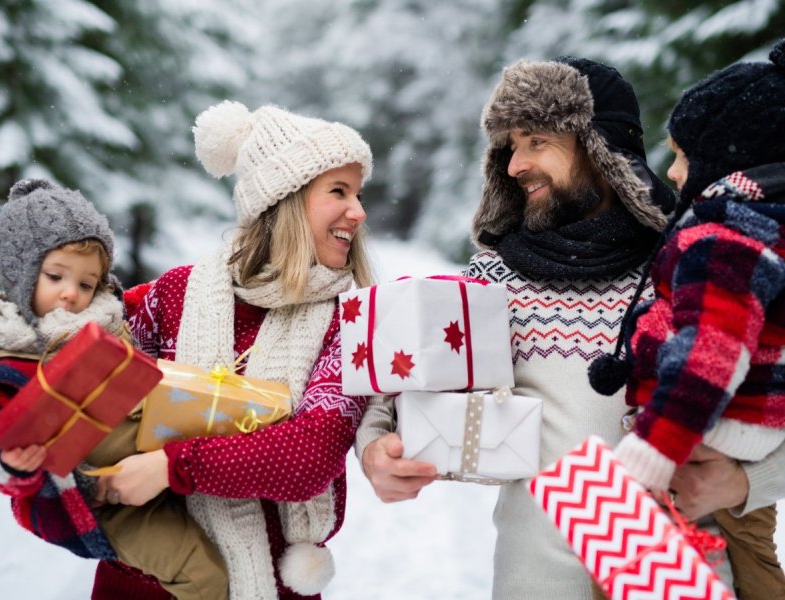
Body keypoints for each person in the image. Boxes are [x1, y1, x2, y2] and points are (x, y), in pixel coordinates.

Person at [356, 54, 785, 598]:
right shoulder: (492, 280)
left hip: (680, 580)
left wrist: (747, 483)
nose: (514, 164)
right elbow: (401, 386)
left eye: (536, 141)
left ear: (601, 149)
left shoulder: (706, 265)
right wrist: (376, 448)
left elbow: (774, 408)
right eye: (510, 145)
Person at [90, 100, 374, 599]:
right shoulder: (173, 297)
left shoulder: (345, 325)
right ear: (283, 200)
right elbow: (86, 365)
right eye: (339, 191)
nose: (359, 210)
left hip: (273, 581)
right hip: (147, 576)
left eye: (358, 192)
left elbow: (309, 455)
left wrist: (171, 466)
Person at [589, 39, 785, 599]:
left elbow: (710, 352)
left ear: (726, 161)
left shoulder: (722, 240)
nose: (672, 172)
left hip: (704, 436)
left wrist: (652, 450)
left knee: (678, 567)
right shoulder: (761, 230)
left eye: (682, 155)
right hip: (730, 438)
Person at [0, 178, 228, 600]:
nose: (70, 294)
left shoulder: (109, 321)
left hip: (158, 459)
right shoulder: (5, 355)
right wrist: (11, 460)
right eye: (56, 275)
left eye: (85, 283)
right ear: (20, 273)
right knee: (201, 572)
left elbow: (157, 304)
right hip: (105, 499)